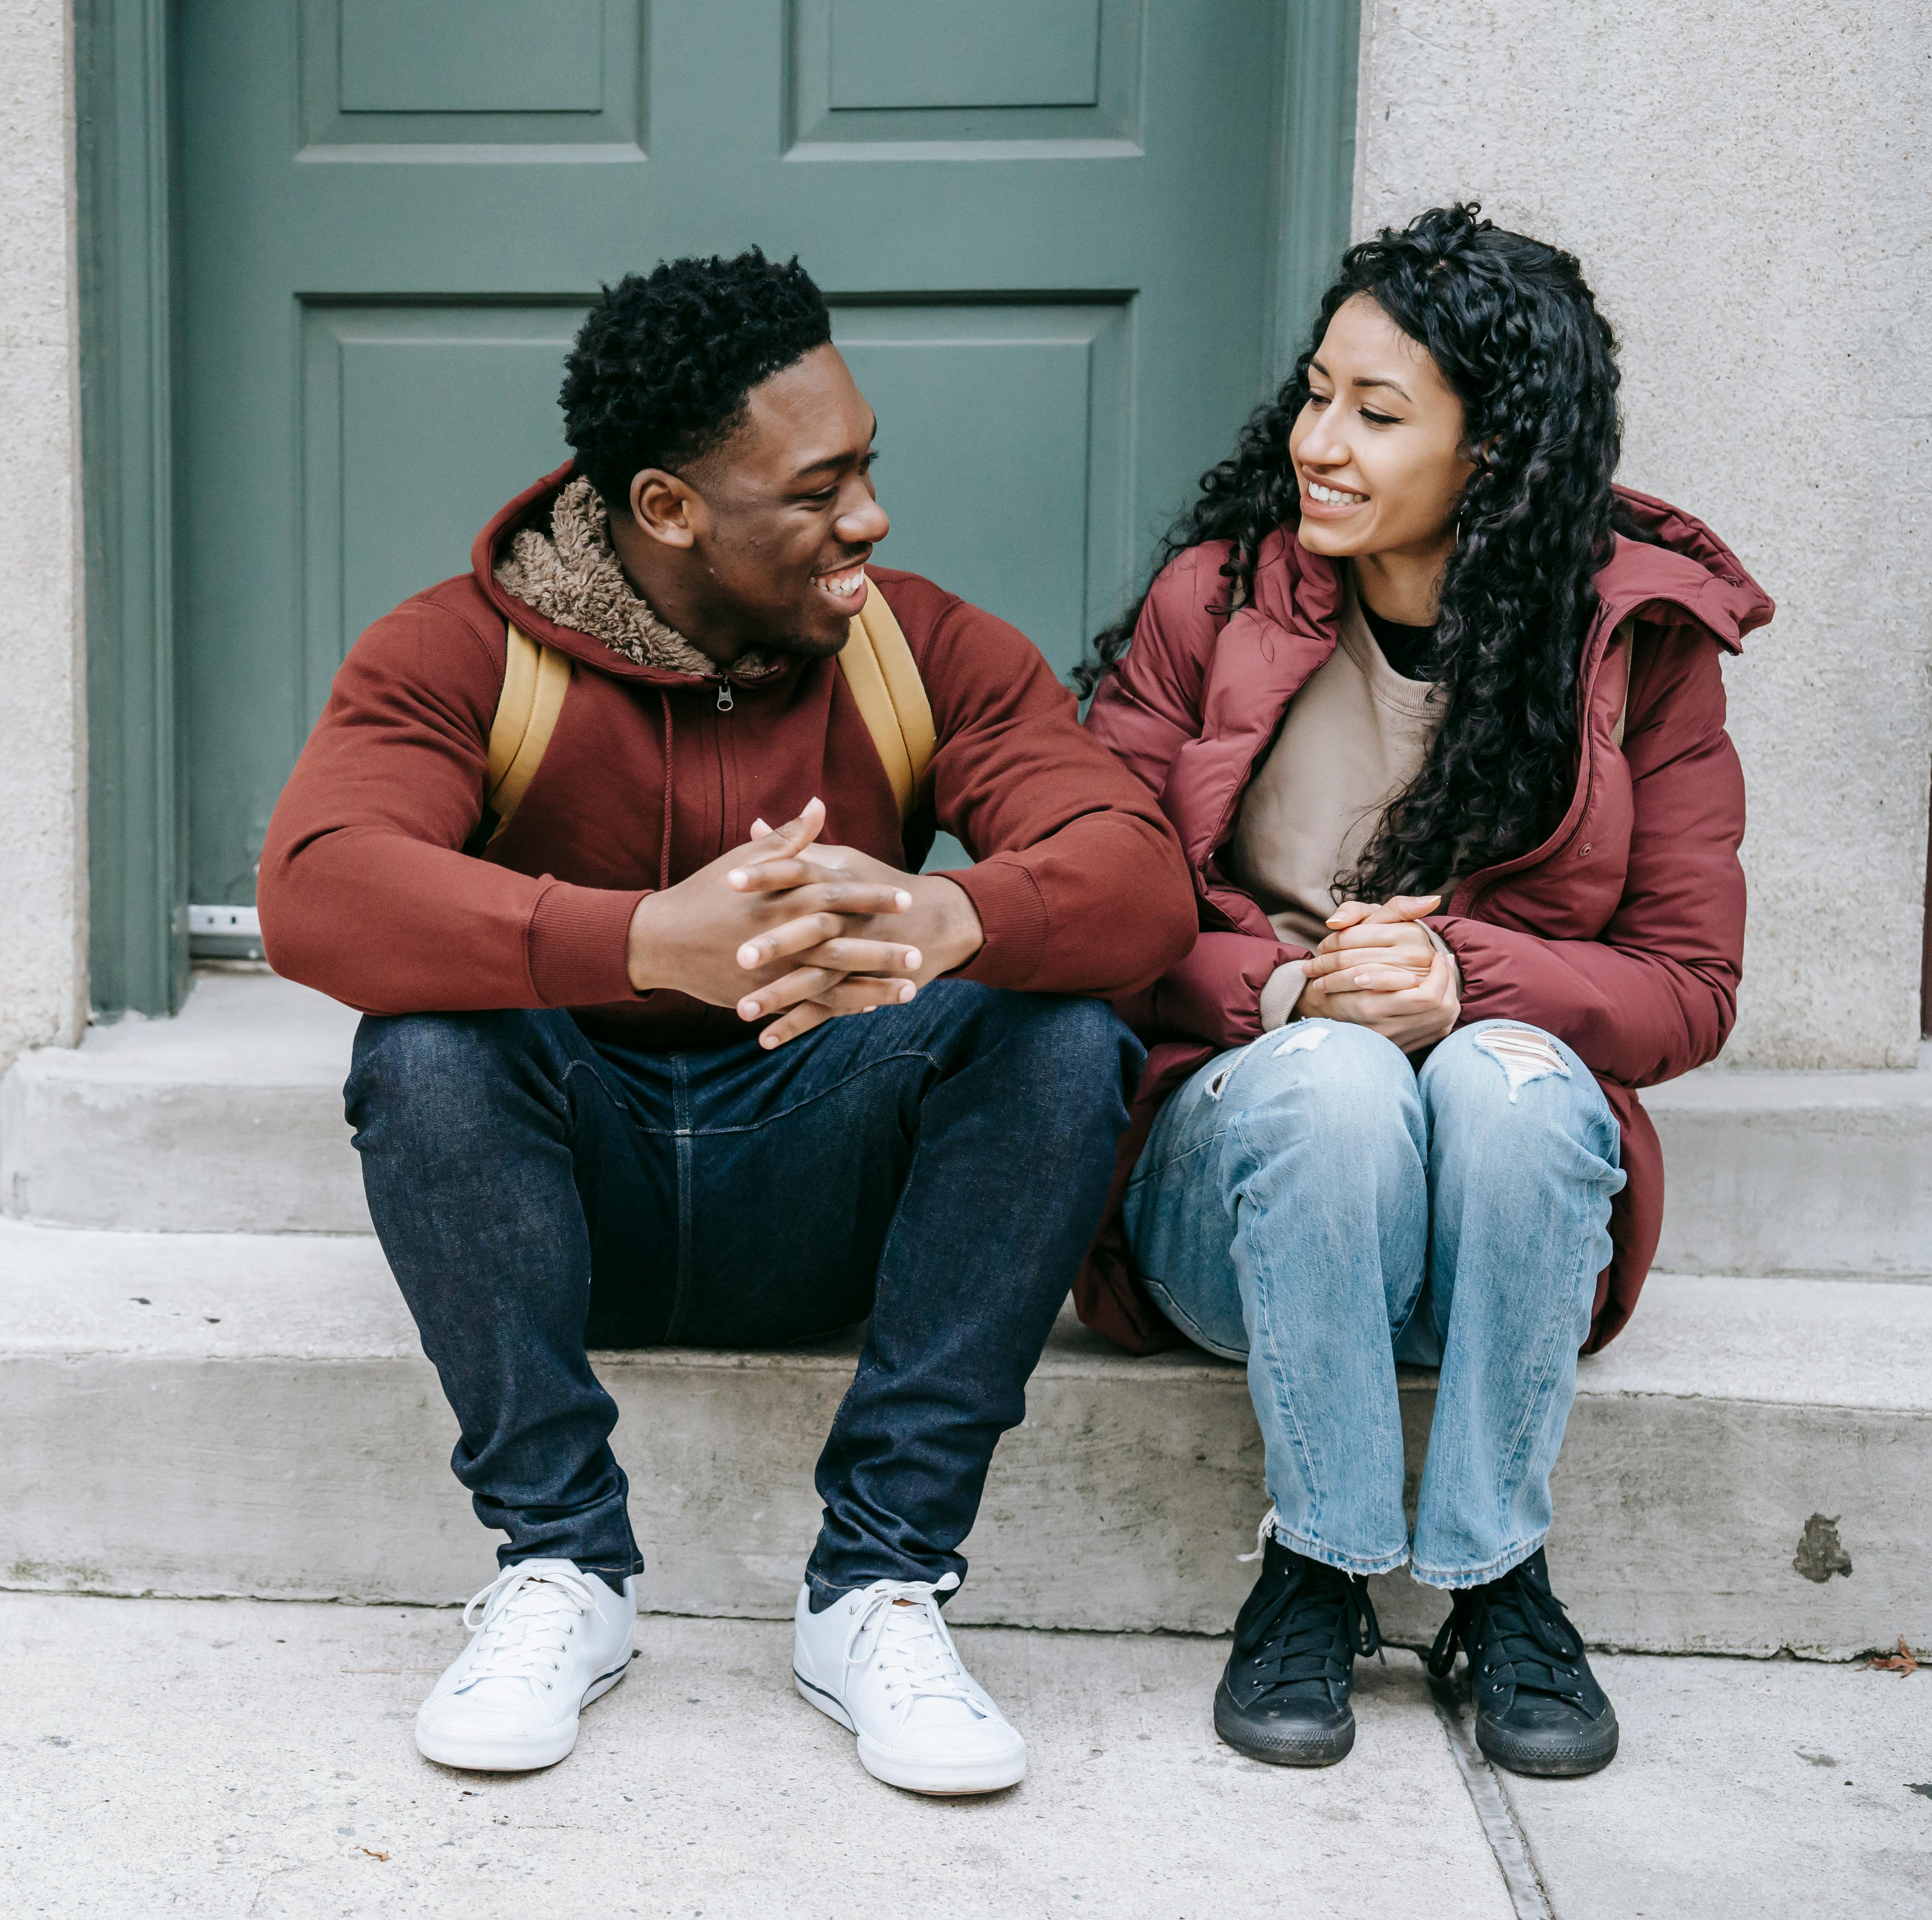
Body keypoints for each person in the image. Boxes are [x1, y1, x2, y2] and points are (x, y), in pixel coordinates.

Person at [258, 250, 1193, 1794]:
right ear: (668, 509)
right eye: (819, 491)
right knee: (421, 1049)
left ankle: (878, 1588)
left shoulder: (923, 648)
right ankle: (562, 1565)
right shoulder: (458, 653)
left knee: (1061, 1037)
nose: (871, 520)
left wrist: (950, 915)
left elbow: (1138, 872)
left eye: (869, 468)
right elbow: (314, 890)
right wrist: (638, 942)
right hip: (580, 1197)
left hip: (824, 1181)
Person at [1076, 205, 1772, 1779]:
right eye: (1318, 393)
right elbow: (1097, 910)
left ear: (1499, 453)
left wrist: (1469, 984)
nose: (1321, 441)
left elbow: (1689, 986)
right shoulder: (1219, 604)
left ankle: (1492, 1573)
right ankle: (1319, 1563)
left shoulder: (1636, 647)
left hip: (1493, 1207)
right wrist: (1290, 996)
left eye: (1378, 416)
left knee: (1506, 1082)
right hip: (1245, 1187)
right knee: (1335, 1084)